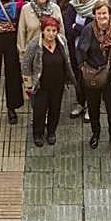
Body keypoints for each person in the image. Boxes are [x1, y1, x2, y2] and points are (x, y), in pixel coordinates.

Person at [76, 0, 111, 149]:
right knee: (93, 107)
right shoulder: (88, 30)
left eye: (104, 13)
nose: (102, 16)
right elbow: (80, 51)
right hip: (93, 74)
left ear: (110, 14)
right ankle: (95, 133)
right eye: (98, 13)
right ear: (95, 15)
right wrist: (83, 67)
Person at [21, 16, 71, 146]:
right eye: (48, 30)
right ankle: (37, 134)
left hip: (58, 85)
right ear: (42, 30)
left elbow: (67, 60)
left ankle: (51, 132)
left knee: (55, 109)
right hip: (40, 86)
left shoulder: (62, 42)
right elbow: (26, 66)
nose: (51, 33)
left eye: (54, 30)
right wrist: (28, 85)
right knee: (39, 111)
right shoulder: (34, 45)